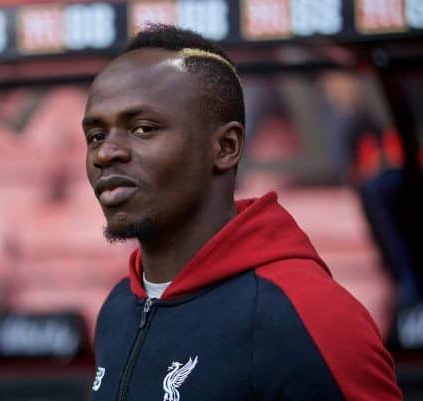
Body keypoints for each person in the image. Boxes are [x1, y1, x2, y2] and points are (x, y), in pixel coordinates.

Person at [82, 24, 402, 401]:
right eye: (96, 136)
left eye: (143, 128)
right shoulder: (117, 310)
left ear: (226, 147)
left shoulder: (310, 316)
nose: (105, 153)